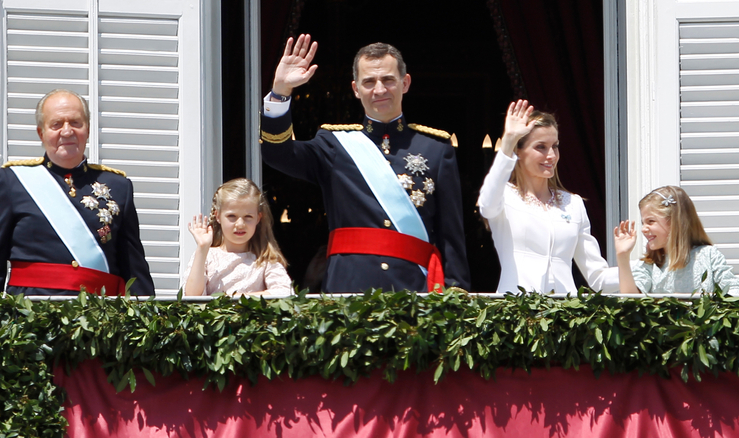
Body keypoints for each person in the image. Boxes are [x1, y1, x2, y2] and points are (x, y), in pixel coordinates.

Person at [260, 35, 470, 293]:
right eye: (368, 82)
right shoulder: (334, 144)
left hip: (414, 291)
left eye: (388, 80)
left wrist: (456, 292)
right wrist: (280, 92)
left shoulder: (436, 149)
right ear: (355, 89)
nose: (379, 90)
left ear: (405, 83)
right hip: (349, 288)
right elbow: (277, 154)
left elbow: (451, 234)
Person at [0, 89, 154, 301]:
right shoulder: (13, 181)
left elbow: (134, 268)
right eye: (56, 124)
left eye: (76, 123)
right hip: (30, 320)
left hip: (100, 321)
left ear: (87, 130)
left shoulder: (117, 186)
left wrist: (148, 321)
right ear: (41, 133)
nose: (67, 132)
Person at [477, 99, 623, 293]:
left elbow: (597, 276)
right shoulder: (504, 197)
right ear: (518, 152)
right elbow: (486, 205)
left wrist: (646, 268)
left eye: (555, 146)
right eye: (541, 147)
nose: (551, 156)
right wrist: (508, 141)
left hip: (563, 314)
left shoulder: (573, 204)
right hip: (516, 311)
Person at [614, 186, 739, 296]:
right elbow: (631, 302)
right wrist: (622, 256)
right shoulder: (651, 264)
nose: (643, 229)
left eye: (651, 221)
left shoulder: (708, 255)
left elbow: (735, 291)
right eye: (643, 223)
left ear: (674, 222)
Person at [182, 179, 293, 297]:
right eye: (232, 216)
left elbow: (285, 292)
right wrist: (202, 248)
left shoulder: (264, 257)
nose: (240, 224)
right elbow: (191, 296)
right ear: (218, 216)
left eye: (248, 216)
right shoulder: (207, 256)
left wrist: (234, 298)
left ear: (258, 218)